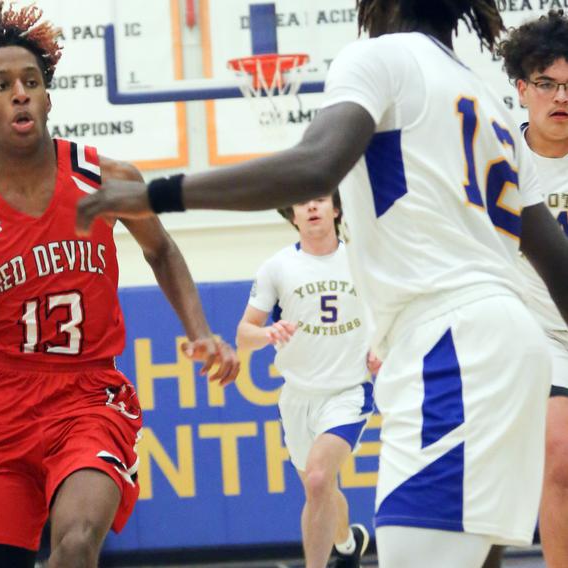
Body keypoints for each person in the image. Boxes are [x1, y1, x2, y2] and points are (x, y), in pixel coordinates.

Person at [76, 1, 568, 565]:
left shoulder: (379, 59)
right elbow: (558, 264)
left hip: (449, 342)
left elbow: (315, 166)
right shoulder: (491, 106)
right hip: (515, 346)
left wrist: (155, 194)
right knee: (474, 555)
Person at [0, 4, 240, 568]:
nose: (20, 93)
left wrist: (200, 330)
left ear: (47, 98)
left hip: (87, 394)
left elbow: (160, 249)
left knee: (77, 540)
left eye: (31, 83)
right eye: (2, 85)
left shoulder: (104, 180)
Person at [236, 193, 374, 568]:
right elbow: (243, 333)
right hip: (297, 397)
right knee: (321, 488)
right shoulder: (277, 267)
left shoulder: (362, 259)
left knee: (317, 479)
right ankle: (347, 543)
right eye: (302, 202)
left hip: (348, 391)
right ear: (292, 215)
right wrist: (267, 334)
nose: (312, 207)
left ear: (337, 208)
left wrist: (382, 347)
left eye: (319, 199)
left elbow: (392, 309)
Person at [496, 11, 568, 568]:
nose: (560, 96)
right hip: (537, 334)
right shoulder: (498, 160)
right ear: (522, 89)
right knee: (558, 456)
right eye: (547, 83)